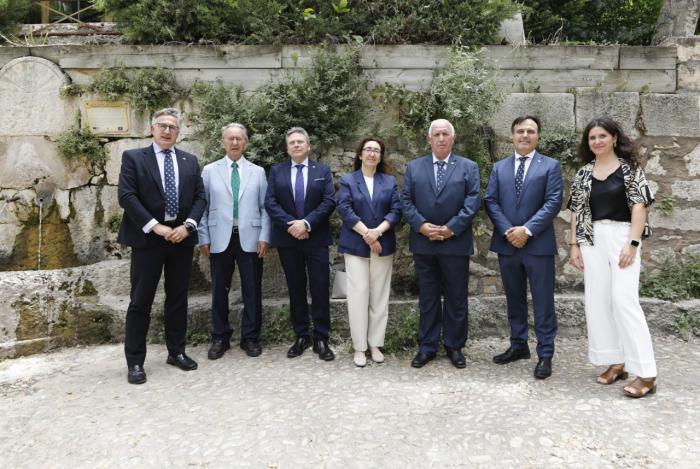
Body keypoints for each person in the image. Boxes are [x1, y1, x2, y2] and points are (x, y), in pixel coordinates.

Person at [568, 117, 657, 398]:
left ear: (615, 138)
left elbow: (639, 208)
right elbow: (577, 212)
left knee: (624, 300)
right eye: (592, 138)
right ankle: (616, 362)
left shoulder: (630, 170)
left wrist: (632, 243)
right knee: (598, 301)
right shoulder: (583, 173)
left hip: (622, 237)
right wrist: (574, 245)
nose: (597, 141)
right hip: (592, 240)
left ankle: (647, 373)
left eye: (602, 136)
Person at [117, 107, 206, 384]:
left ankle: (176, 351)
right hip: (147, 240)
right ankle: (135, 362)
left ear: (179, 132)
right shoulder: (134, 158)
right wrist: (156, 226)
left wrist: (187, 226)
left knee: (178, 298)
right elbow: (127, 196)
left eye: (173, 127)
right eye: (163, 126)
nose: (168, 131)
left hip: (180, 239)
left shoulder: (190, 161)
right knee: (140, 301)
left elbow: (200, 198)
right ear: (152, 129)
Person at [484, 116, 563, 379]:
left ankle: (545, 354)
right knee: (514, 299)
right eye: (520, 131)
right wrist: (509, 230)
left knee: (543, 302)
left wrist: (526, 230)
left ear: (538, 136)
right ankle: (518, 346)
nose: (525, 135)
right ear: (512, 135)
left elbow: (553, 202)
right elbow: (491, 201)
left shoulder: (550, 166)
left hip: (537, 245)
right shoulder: (499, 167)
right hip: (508, 245)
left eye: (531, 131)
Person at [401, 119, 480, 369]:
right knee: (428, 297)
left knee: (457, 297)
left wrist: (450, 229)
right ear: (429, 139)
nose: (442, 138)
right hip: (424, 243)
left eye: (446, 134)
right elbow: (406, 201)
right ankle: (427, 346)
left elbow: (472, 201)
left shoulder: (468, 167)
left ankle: (455, 346)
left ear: (453, 138)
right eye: (437, 134)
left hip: (455, 243)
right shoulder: (414, 168)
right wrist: (422, 226)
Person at [198, 123, 270, 360]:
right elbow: (203, 207)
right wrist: (203, 237)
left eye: (239, 139)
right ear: (223, 142)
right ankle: (220, 337)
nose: (235, 143)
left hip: (250, 237)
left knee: (252, 290)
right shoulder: (209, 171)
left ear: (246, 142)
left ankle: (250, 337)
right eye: (230, 139)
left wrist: (264, 235)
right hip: (219, 238)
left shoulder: (258, 172)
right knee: (219, 290)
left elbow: (265, 207)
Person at [264, 127, 337, 361]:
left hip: (316, 238)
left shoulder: (322, 171)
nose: (296, 145)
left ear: (308, 146)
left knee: (319, 287)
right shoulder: (277, 171)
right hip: (288, 239)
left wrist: (306, 224)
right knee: (295, 288)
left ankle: (322, 338)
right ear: (287, 148)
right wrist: (292, 225)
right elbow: (270, 203)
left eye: (300, 142)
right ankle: (301, 335)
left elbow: (329, 202)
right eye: (292, 142)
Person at [337, 138, 401, 367]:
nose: (372, 154)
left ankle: (375, 344)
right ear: (360, 154)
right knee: (358, 296)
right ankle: (359, 347)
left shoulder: (389, 181)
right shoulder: (348, 180)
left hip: (382, 244)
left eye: (377, 150)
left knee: (379, 297)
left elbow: (396, 210)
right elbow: (344, 208)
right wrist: (367, 234)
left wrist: (378, 233)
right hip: (356, 245)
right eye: (368, 150)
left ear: (381, 156)